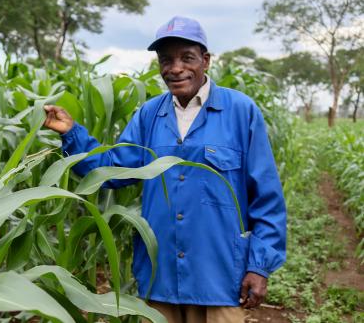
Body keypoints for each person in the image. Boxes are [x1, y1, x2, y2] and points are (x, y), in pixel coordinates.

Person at [43, 16, 286, 323]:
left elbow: (267, 198)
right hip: (161, 277)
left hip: (219, 276)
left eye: (187, 58)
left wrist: (259, 266)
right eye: (166, 60)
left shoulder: (241, 111)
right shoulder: (148, 115)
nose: (176, 68)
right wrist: (72, 134)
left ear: (206, 61)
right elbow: (113, 168)